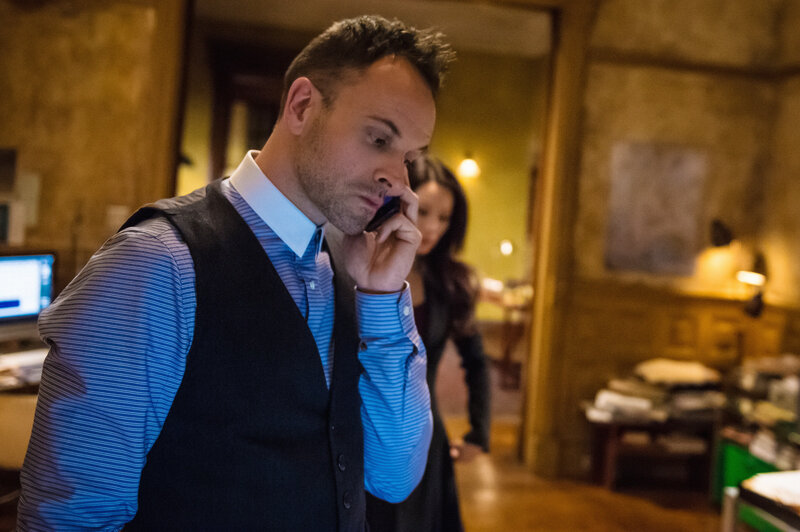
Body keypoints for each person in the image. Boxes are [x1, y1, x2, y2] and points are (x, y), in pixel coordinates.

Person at [17, 16, 455, 530]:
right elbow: (70, 519)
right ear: (302, 105)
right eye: (379, 139)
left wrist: (381, 298)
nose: (396, 179)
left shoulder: (353, 264)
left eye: (409, 157)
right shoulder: (156, 265)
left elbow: (394, 476)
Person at [366, 156, 491, 532]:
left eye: (445, 218)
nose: (433, 228)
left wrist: (479, 432)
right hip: (363, 429)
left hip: (425, 434)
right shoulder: (362, 264)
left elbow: (477, 361)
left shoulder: (449, 283)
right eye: (423, 212)